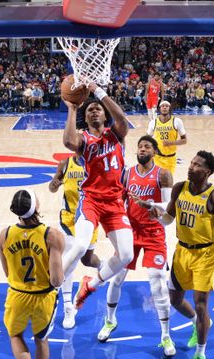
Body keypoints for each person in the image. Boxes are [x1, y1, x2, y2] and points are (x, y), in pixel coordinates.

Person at [147, 151, 214, 359]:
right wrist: (157, 215)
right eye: (191, 163)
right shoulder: (180, 188)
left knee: (201, 306)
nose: (191, 167)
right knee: (175, 300)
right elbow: (169, 218)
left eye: (197, 165)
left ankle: (200, 355)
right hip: (182, 252)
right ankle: (198, 323)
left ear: (207, 171)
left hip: (204, 255)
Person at [98, 136, 176, 357]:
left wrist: (149, 205)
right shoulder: (126, 173)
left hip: (154, 232)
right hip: (130, 231)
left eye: (147, 146)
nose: (142, 149)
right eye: (140, 146)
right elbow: (116, 200)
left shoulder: (163, 174)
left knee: (158, 284)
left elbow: (169, 207)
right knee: (116, 278)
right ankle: (110, 321)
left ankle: (165, 335)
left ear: (155, 151)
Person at [61, 83, 133, 311]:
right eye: (89, 109)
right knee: (81, 246)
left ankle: (89, 286)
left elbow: (121, 118)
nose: (94, 111)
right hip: (91, 200)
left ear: (105, 115)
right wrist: (73, 108)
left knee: (126, 255)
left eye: (98, 109)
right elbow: (68, 142)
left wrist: (99, 92)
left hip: (114, 202)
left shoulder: (117, 135)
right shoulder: (83, 140)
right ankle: (49, 285)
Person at [0, 189, 64, 359]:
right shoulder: (51, 235)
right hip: (43, 297)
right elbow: (56, 280)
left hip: (17, 295)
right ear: (36, 206)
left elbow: (8, 272)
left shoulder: (5, 235)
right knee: (41, 339)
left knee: (15, 335)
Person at [48, 155, 102, 328]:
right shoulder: (66, 163)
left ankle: (104, 267)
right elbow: (52, 187)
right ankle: (68, 307)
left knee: (87, 259)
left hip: (88, 216)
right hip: (69, 218)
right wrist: (54, 184)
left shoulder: (95, 163)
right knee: (69, 257)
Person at [147, 100, 187, 176]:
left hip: (171, 158)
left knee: (167, 183)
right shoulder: (153, 122)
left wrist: (171, 143)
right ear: (159, 108)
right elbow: (147, 139)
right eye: (163, 106)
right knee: (156, 182)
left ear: (169, 108)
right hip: (157, 158)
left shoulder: (177, 121)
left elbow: (184, 140)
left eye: (166, 106)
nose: (164, 107)